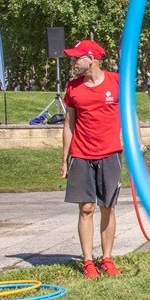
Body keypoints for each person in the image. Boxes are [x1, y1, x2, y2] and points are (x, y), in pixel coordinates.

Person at [61, 39, 122, 278]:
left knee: (108, 207)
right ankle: (88, 261)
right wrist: (64, 157)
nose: (74, 62)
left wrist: (136, 140)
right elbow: (69, 124)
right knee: (86, 207)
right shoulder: (73, 87)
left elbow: (129, 114)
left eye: (77, 57)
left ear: (92, 58)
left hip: (110, 152)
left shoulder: (116, 82)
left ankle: (107, 258)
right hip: (81, 153)